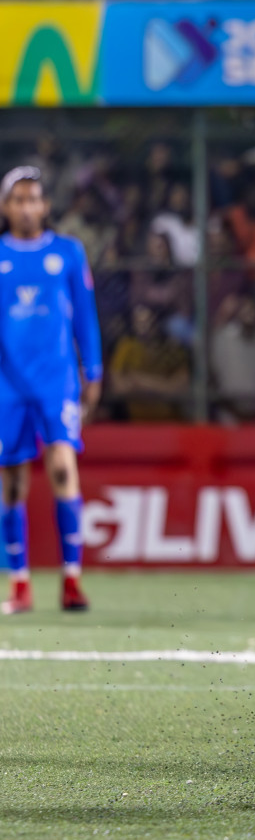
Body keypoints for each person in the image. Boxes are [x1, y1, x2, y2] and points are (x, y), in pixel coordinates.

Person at [0, 167, 103, 615]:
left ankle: (72, 581)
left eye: (33, 199)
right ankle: (20, 585)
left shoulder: (68, 252)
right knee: (12, 482)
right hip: (7, 384)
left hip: (56, 381)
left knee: (62, 466)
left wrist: (93, 371)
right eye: (18, 199)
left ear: (44, 206)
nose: (27, 207)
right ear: (6, 207)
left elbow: (85, 315)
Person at [107, 305, 190, 422]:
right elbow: (118, 388)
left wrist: (141, 382)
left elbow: (180, 387)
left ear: (156, 322)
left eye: (149, 322)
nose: (144, 327)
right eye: (139, 322)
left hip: (170, 421)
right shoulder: (126, 347)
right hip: (133, 422)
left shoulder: (172, 349)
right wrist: (163, 385)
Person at [210, 294, 255, 423]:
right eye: (244, 310)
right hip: (229, 411)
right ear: (237, 313)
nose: (249, 315)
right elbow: (214, 374)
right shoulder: (223, 337)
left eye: (252, 311)